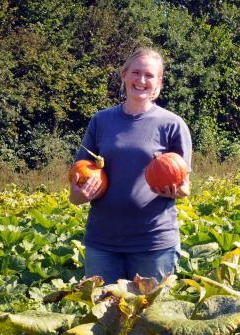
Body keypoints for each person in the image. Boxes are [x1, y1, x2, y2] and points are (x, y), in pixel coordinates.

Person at [69, 47, 192, 284]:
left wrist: (179, 191)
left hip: (153, 242)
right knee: (104, 315)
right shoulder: (101, 121)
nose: (141, 80)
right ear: (124, 74)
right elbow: (77, 186)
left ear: (159, 81)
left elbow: (184, 185)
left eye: (149, 75)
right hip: (102, 243)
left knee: (149, 316)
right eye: (136, 72)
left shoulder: (172, 125)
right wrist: (78, 194)